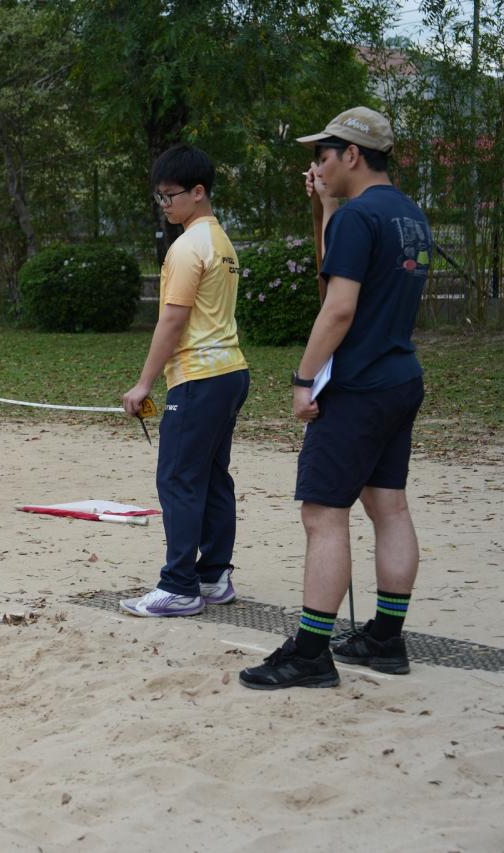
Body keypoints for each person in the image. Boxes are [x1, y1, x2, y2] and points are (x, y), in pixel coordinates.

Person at [241, 107, 431, 689]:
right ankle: (386, 638)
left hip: (357, 386)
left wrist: (304, 378)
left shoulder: (359, 217)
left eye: (323, 156)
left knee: (323, 515)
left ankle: (310, 653)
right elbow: (340, 277)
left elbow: (337, 307)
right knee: (389, 506)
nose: (317, 167)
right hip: (399, 377)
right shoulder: (409, 214)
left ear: (352, 154)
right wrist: (326, 207)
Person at [120, 145, 250, 617]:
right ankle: (213, 576)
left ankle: (179, 586)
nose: (165, 205)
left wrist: (143, 384)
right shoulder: (221, 241)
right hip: (229, 373)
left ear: (198, 192)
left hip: (199, 377)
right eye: (159, 196)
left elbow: (172, 320)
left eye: (170, 195)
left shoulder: (188, 246)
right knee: (211, 477)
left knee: (178, 477)